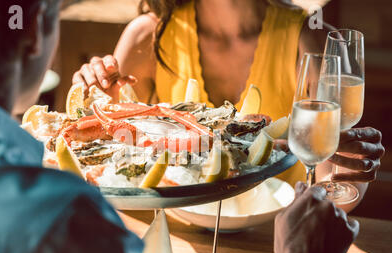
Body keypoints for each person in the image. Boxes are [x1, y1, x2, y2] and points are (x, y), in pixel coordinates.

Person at [0, 0, 359, 253]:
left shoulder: (302, 32)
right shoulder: (66, 219)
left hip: (248, 244)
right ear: (33, 31)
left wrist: (345, 177)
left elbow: (330, 176)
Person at [73, 0, 385, 212]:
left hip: (276, 243)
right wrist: (94, 97)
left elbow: (336, 192)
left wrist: (351, 169)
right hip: (174, 242)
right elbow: (114, 170)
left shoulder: (312, 37)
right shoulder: (148, 35)